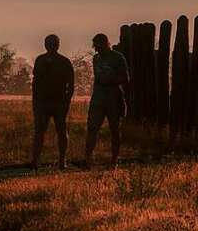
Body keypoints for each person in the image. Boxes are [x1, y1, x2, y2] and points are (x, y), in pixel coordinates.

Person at [84, 33, 129, 167]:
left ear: (105, 44)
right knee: (92, 128)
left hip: (113, 98)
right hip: (98, 98)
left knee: (114, 129)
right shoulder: (96, 58)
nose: (96, 49)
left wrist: (110, 80)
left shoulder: (118, 57)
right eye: (95, 46)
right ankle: (88, 159)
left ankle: (114, 160)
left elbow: (126, 78)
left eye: (98, 46)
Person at [31, 34, 75, 170]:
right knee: (39, 131)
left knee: (61, 131)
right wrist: (35, 101)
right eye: (48, 43)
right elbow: (35, 82)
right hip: (42, 103)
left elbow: (71, 85)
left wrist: (66, 102)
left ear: (58, 45)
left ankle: (62, 161)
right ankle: (35, 161)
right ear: (45, 44)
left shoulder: (65, 62)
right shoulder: (40, 60)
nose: (50, 46)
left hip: (59, 103)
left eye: (53, 43)